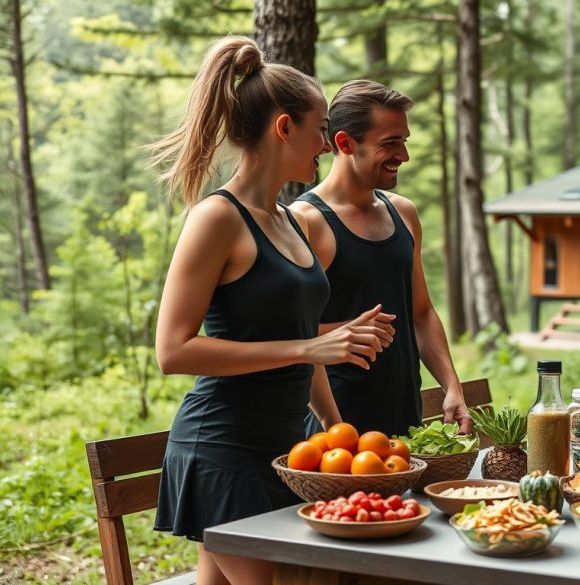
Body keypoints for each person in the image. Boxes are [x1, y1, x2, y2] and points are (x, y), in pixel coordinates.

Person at [150, 37, 393, 584]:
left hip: (284, 451)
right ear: (285, 127)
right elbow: (172, 351)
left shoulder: (293, 220)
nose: (329, 144)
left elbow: (303, 339)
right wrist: (310, 347)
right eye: (320, 128)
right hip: (222, 450)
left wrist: (338, 429)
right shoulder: (217, 218)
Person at [291, 80, 472, 438]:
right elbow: (286, 335)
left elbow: (420, 313)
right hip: (334, 432)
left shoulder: (403, 213)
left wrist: (452, 386)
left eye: (404, 141)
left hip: (405, 420)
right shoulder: (305, 221)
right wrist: (345, 331)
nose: (403, 156)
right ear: (344, 143)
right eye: (390, 143)